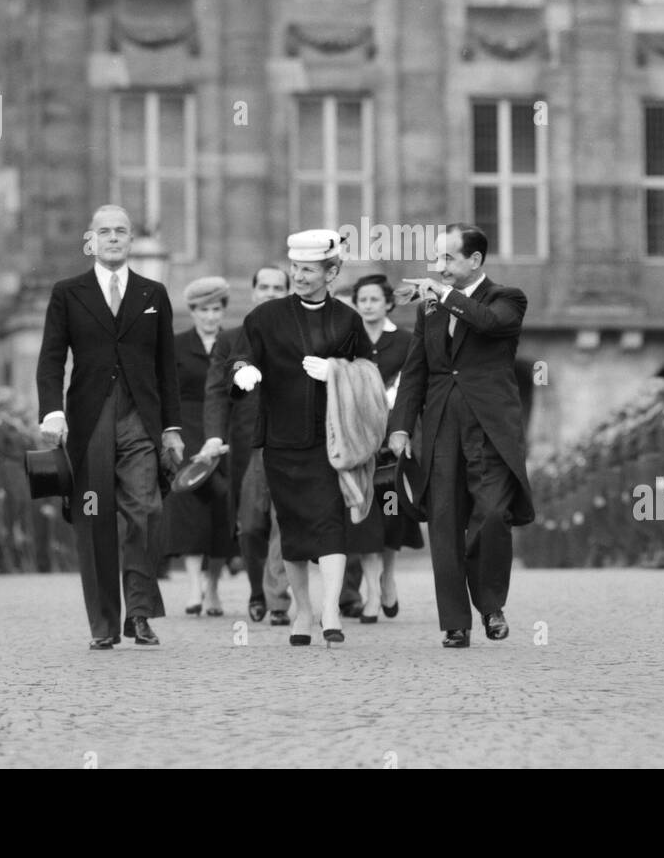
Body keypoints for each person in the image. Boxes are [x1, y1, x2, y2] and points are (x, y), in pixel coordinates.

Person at [36, 205, 184, 650]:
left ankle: (138, 613)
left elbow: (166, 367)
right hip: (89, 418)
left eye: (121, 231)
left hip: (140, 417)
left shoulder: (153, 293)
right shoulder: (68, 292)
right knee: (94, 518)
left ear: (131, 240)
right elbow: (51, 358)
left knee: (147, 510)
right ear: (92, 240)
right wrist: (52, 411)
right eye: (106, 232)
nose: (114, 238)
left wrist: (172, 427)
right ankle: (103, 623)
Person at [389, 223, 536, 649]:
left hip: (490, 429)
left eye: (449, 258)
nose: (440, 266)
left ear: (475, 260)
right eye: (437, 258)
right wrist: (400, 426)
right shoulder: (428, 311)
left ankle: (490, 605)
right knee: (446, 524)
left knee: (491, 516)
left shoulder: (507, 298)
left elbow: (488, 325)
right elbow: (415, 372)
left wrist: (444, 296)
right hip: (440, 429)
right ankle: (455, 622)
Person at [230, 229, 376, 646]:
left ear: (332, 272)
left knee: (330, 523)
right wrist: (243, 371)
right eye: (295, 268)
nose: (299, 276)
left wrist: (338, 372)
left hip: (330, 440)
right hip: (280, 439)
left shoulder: (347, 320)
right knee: (291, 528)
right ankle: (304, 610)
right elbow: (242, 354)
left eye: (309, 270)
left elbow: (368, 371)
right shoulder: (265, 317)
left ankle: (330, 609)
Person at [201, 265, 292, 624]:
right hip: (247, 444)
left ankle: (278, 600)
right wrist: (214, 435)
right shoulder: (231, 340)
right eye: (264, 286)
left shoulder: (299, 337)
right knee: (252, 524)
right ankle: (258, 590)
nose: (270, 292)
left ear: (287, 292)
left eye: (277, 287)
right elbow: (216, 393)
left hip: (290, 443)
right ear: (253, 292)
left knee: (282, 521)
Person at [347, 273, 419, 623]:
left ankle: (387, 578)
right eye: (362, 300)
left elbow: (413, 385)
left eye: (375, 299)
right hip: (358, 441)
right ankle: (371, 594)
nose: (368, 305)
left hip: (393, 440)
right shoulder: (348, 341)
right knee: (364, 517)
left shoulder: (405, 341)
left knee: (391, 516)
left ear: (388, 303)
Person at [162, 276, 235, 616]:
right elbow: (168, 394)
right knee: (189, 509)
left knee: (222, 510)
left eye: (215, 309)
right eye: (203, 310)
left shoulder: (234, 344)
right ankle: (193, 585)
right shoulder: (176, 346)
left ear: (223, 311)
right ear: (192, 312)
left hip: (223, 433)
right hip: (188, 431)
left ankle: (214, 587)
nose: (209, 316)